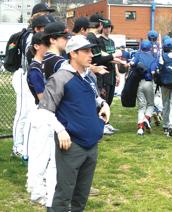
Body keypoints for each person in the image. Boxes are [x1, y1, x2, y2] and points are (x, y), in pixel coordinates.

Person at [39, 35, 110, 211]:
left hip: (91, 144)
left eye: (91, 50)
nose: (91, 54)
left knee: (81, 196)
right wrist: (61, 130)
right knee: (64, 194)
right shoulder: (60, 78)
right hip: (71, 144)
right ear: (73, 53)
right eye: (86, 51)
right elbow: (44, 110)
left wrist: (103, 104)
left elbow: (93, 98)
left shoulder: (87, 76)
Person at [11, 5, 54, 157]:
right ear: (36, 16)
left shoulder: (43, 34)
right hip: (24, 76)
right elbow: (31, 57)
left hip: (33, 76)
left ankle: (29, 146)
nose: (47, 16)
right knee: (23, 113)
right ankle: (17, 146)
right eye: (44, 13)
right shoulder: (30, 35)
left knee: (33, 113)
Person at [25, 32, 55, 206]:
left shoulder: (42, 66)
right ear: (37, 46)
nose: (48, 47)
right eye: (45, 44)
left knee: (45, 154)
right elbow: (42, 96)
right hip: (42, 113)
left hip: (45, 113)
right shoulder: (35, 69)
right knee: (41, 155)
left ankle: (38, 187)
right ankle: (36, 190)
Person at [97, 18, 121, 133]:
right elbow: (108, 58)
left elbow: (114, 59)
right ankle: (102, 124)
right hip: (104, 72)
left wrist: (117, 74)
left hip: (111, 73)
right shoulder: (100, 40)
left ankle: (107, 122)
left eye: (109, 27)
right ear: (102, 28)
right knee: (104, 98)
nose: (108, 29)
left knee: (110, 98)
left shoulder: (111, 42)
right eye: (106, 27)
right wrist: (118, 60)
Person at [130, 40, 158, 135]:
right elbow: (154, 72)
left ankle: (140, 128)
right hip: (149, 83)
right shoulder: (153, 57)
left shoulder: (137, 55)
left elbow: (132, 64)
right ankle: (146, 118)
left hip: (138, 82)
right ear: (150, 48)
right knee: (150, 104)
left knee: (141, 107)